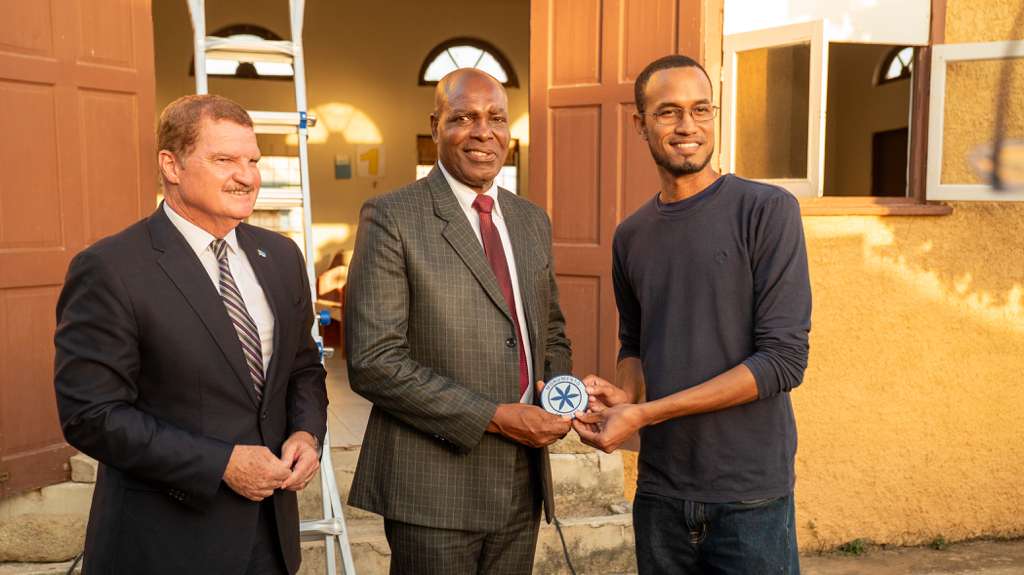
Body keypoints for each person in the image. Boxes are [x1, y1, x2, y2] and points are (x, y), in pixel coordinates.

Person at [54, 94, 328, 575]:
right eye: (224, 160)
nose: (247, 177)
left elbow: (303, 366)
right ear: (171, 165)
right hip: (164, 544)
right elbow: (90, 415)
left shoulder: (282, 257)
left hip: (271, 539)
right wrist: (221, 463)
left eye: (253, 161)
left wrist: (307, 432)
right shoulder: (111, 268)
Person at [573, 54, 812, 574]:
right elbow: (634, 344)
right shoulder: (631, 236)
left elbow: (783, 362)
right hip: (661, 493)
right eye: (669, 112)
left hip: (749, 497)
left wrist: (643, 415)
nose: (688, 127)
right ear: (640, 123)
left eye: (701, 109)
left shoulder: (767, 211)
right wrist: (623, 396)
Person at [344, 68, 573, 575]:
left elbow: (550, 330)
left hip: (521, 481)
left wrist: (561, 392)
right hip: (435, 487)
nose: (482, 131)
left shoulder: (531, 220)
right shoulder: (392, 216)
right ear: (435, 125)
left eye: (495, 118)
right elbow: (374, 361)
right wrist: (495, 415)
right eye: (463, 117)